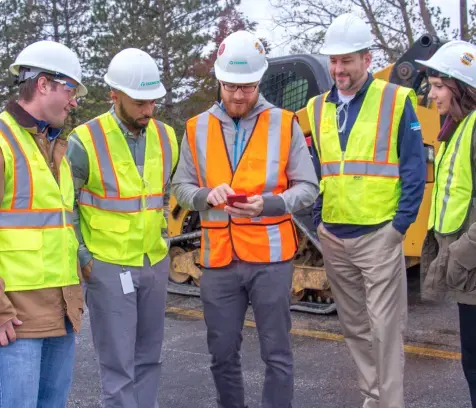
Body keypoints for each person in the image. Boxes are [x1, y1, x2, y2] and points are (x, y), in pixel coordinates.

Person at [171, 30, 318, 408]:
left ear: (260, 81)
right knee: (221, 353)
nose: (238, 95)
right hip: (219, 259)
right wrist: (205, 195)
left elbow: (307, 188)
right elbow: (181, 187)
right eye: (231, 87)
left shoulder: (285, 125)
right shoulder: (195, 127)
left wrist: (268, 205)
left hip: (271, 260)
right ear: (219, 81)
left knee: (277, 354)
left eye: (248, 87)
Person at [307, 13, 426, 408]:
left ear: (366, 59)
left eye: (347, 60)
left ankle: (391, 404)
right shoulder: (316, 107)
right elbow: (318, 167)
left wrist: (400, 226)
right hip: (335, 238)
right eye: (334, 61)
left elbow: (412, 168)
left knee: (385, 329)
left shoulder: (394, 100)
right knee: (356, 327)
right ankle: (372, 398)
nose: (339, 69)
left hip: (379, 234)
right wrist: (319, 219)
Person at [66, 48, 178, 408]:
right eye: (140, 102)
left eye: (153, 102)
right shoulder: (83, 142)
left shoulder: (166, 137)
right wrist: (83, 257)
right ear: (114, 96)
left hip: (152, 261)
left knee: (150, 359)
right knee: (118, 369)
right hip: (109, 265)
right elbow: (65, 206)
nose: (149, 110)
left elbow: (169, 192)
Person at [0, 40, 86, 407]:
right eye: (71, 89)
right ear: (43, 84)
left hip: (61, 313)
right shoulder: (4, 142)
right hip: (16, 320)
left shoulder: (55, 148)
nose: (75, 101)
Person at [419, 40, 476, 407]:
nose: (432, 93)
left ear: (461, 87)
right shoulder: (457, 128)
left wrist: (460, 254)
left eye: (439, 85)